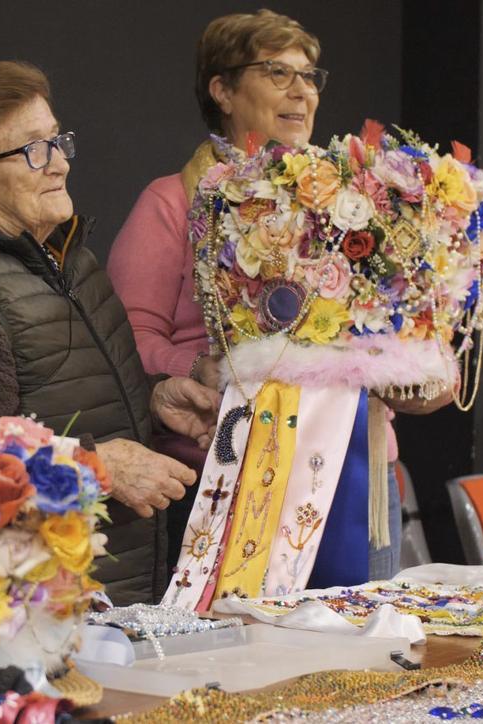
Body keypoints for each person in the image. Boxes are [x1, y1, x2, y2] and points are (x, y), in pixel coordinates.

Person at [109, 10, 451, 599]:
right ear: (222, 89)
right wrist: (202, 369)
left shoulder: (361, 204)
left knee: (362, 668)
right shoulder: (171, 203)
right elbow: (123, 344)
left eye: (309, 76)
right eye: (276, 72)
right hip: (228, 474)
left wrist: (413, 371)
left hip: (356, 478)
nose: (301, 91)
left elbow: (416, 335)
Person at [0, 61, 219, 606]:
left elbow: (60, 394)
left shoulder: (65, 253)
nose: (59, 163)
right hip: (40, 610)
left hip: (115, 589)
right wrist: (98, 466)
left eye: (56, 140)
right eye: (32, 150)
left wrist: (153, 398)